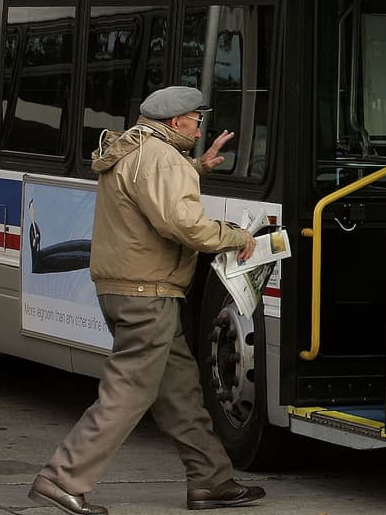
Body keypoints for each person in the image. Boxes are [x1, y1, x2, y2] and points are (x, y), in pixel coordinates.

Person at [29, 86, 264, 515]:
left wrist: (197, 167)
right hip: (147, 294)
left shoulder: (135, 148)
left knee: (180, 393)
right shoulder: (162, 158)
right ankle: (62, 479)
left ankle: (211, 481)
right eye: (196, 121)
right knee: (128, 392)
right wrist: (236, 236)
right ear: (176, 121)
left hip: (128, 289)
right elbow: (183, 225)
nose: (199, 129)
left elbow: (150, 190)